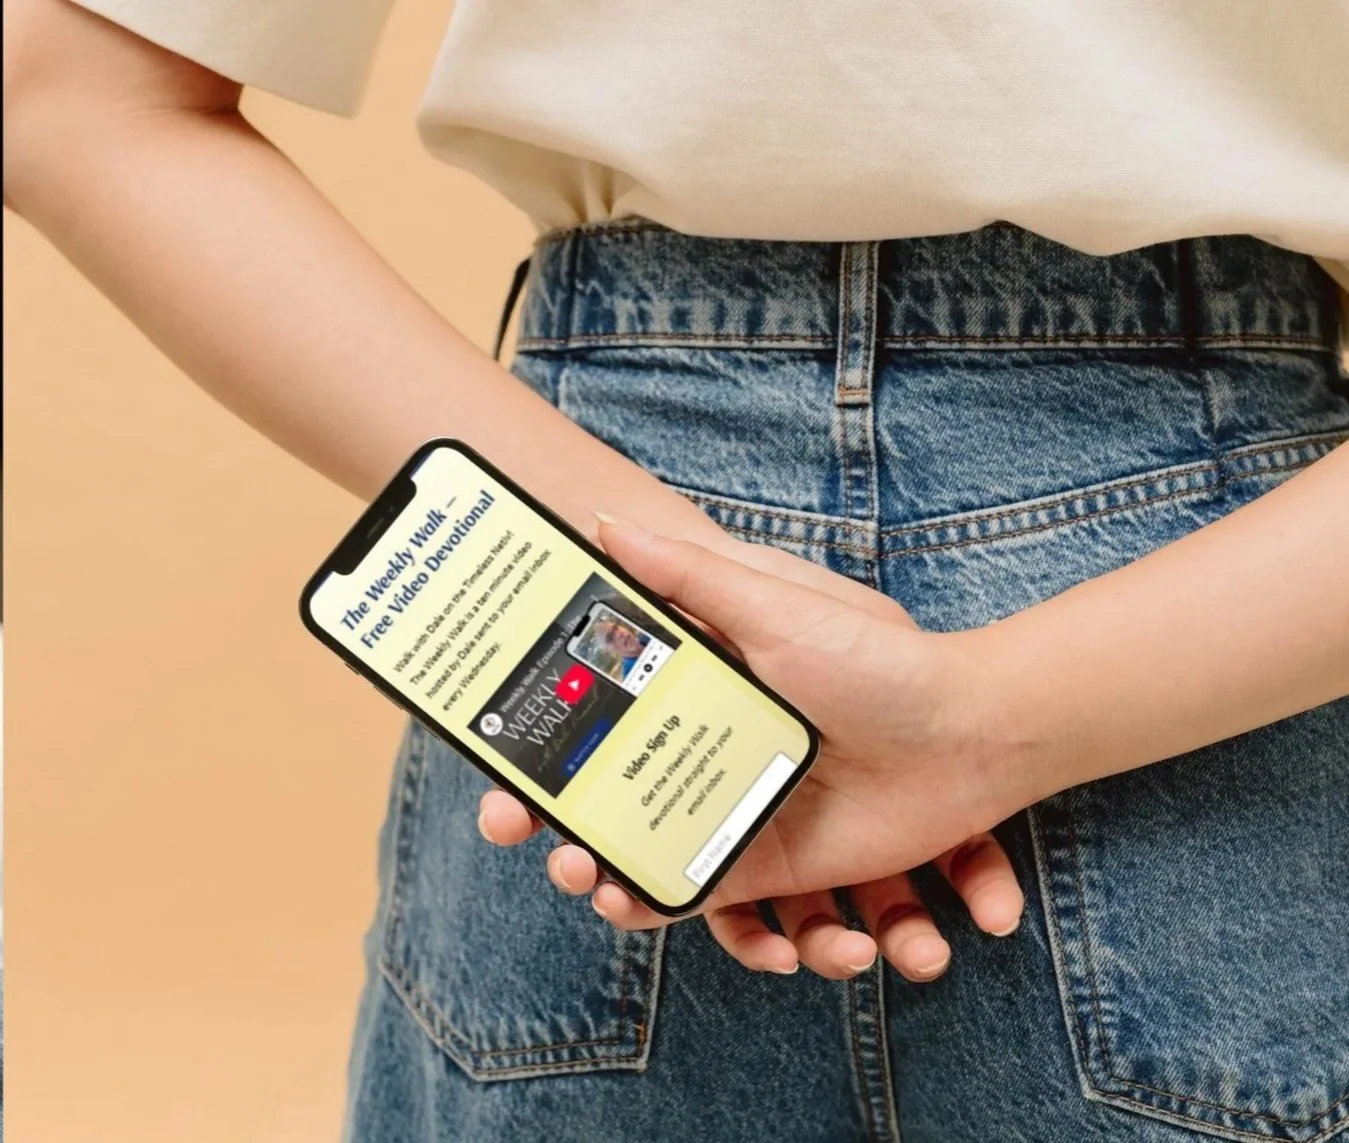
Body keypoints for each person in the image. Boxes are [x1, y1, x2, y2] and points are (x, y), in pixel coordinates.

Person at [5, 1, 1346, 1140]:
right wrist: (979, 717)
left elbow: (66, 81)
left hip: (593, 542)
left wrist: (676, 620)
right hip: (1219, 613)